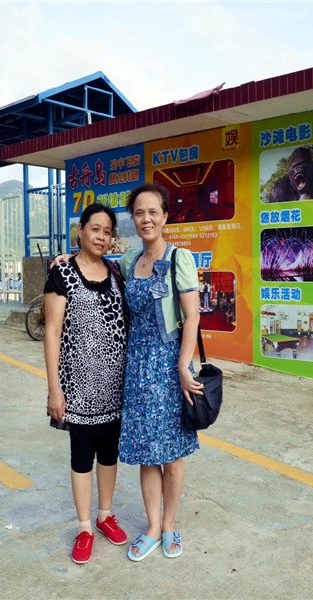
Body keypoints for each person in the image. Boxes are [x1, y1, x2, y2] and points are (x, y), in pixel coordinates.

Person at [115, 182, 202, 561]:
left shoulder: (180, 258)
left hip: (168, 366)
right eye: (139, 213)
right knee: (147, 452)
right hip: (136, 369)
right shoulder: (129, 262)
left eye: (153, 212)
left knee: (172, 452)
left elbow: (192, 316)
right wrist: (67, 259)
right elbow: (94, 264)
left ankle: (169, 524)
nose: (146, 219)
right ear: (133, 220)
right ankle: (152, 526)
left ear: (165, 216)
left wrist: (183, 365)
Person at [44, 202, 129, 564]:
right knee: (82, 457)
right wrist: (54, 388)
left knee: (109, 455)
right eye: (95, 229)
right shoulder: (62, 274)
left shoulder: (116, 272)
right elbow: (52, 332)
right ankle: (83, 527)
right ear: (80, 230)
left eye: (107, 232)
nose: (101, 237)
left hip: (115, 387)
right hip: (77, 389)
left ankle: (105, 515)